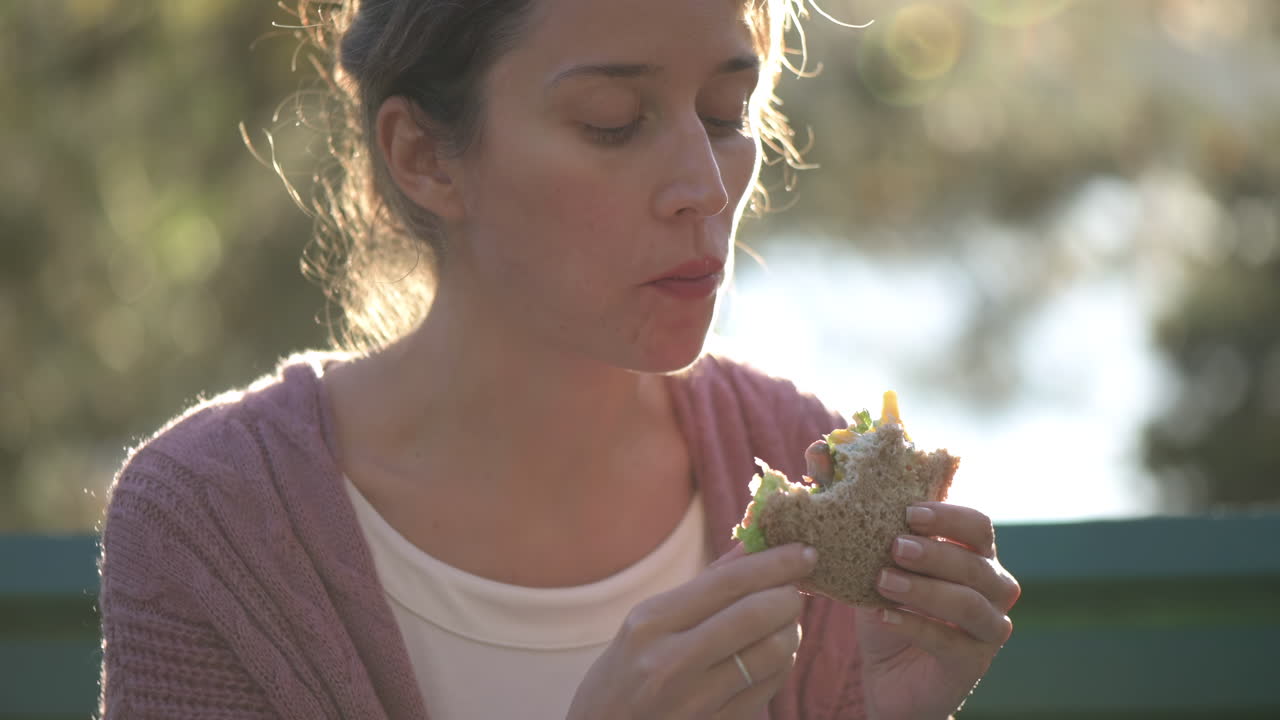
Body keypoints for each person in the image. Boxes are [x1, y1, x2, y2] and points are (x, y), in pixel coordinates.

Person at [96, 0, 1021, 717]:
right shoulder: (214, 523)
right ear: (423, 156)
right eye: (614, 122)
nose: (704, 188)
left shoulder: (798, 456)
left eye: (728, 112)